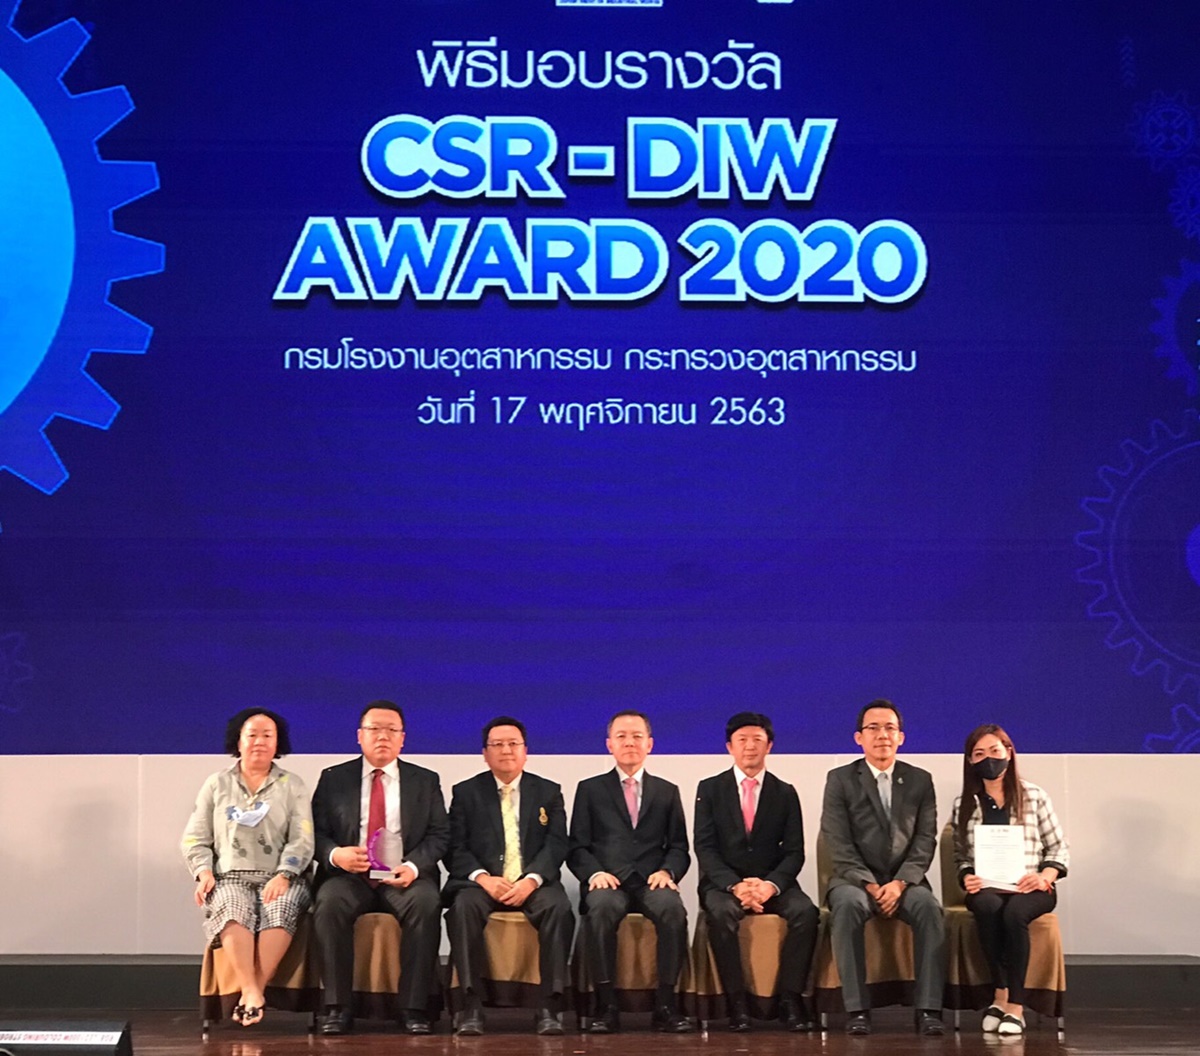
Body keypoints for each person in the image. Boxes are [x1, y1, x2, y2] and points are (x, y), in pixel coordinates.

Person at [310, 700, 449, 1036]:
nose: (383, 737)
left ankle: (414, 1008)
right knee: (329, 904)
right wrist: (336, 855)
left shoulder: (424, 780)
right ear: (360, 736)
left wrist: (413, 866)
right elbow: (313, 832)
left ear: (403, 739)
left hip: (402, 876)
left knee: (426, 903)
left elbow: (440, 834)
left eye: (391, 730)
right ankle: (337, 1007)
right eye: (374, 729)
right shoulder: (334, 778)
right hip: (349, 875)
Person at [819, 699, 945, 1037]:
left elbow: (925, 840)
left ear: (901, 737)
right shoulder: (840, 779)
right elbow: (837, 841)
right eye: (873, 728)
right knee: (847, 906)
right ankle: (857, 1009)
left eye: (890, 728)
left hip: (905, 881)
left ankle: (929, 1009)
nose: (882, 735)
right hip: (854, 880)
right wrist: (871, 885)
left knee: (929, 908)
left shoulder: (920, 780)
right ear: (858, 738)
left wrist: (900, 883)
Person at [182, 708, 314, 1027]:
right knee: (231, 905)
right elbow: (195, 837)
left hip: (280, 876)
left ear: (278, 742)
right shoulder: (217, 783)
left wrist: (284, 874)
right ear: (238, 741)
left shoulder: (292, 784)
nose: (259, 741)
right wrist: (203, 872)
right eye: (252, 735)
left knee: (280, 906)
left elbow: (303, 838)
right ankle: (252, 991)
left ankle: (252, 992)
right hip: (229, 876)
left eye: (268, 735)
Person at [444, 716, 574, 1037]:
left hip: (533, 882)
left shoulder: (548, 791)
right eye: (497, 744)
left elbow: (557, 844)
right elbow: (455, 846)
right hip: (483, 883)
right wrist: (483, 878)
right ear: (485, 753)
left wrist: (531, 879)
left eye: (513, 744)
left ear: (525, 751)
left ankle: (549, 1007)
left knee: (558, 908)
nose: (506, 750)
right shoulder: (466, 792)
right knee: (463, 908)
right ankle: (470, 1006)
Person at [568, 710, 693, 1033]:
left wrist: (668, 871)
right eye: (621, 736)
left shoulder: (667, 790)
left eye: (637, 736)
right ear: (609, 744)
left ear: (650, 744)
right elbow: (577, 847)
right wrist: (594, 874)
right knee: (600, 909)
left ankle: (666, 1005)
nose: (629, 743)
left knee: (673, 911)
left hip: (652, 881)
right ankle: (605, 1005)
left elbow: (679, 846)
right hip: (608, 881)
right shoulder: (590, 789)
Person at [694, 711, 819, 1032]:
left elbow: (794, 851)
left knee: (806, 912)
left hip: (772, 882)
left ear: (769, 746)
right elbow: (705, 848)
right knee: (721, 914)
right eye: (742, 740)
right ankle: (737, 1003)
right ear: (729, 747)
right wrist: (735, 886)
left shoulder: (785, 792)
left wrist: (770, 885)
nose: (750, 746)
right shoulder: (709, 789)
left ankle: (790, 999)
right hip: (724, 884)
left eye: (757, 740)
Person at [952, 723, 1069, 1037]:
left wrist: (1045, 876)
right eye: (979, 754)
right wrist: (967, 877)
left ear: (1009, 752)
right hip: (988, 887)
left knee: (1015, 913)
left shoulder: (1035, 796)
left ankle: (1015, 1006)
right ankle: (999, 994)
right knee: (987, 906)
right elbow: (960, 855)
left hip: (1032, 887)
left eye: (994, 751)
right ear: (970, 760)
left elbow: (1058, 846)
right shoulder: (964, 803)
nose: (988, 759)